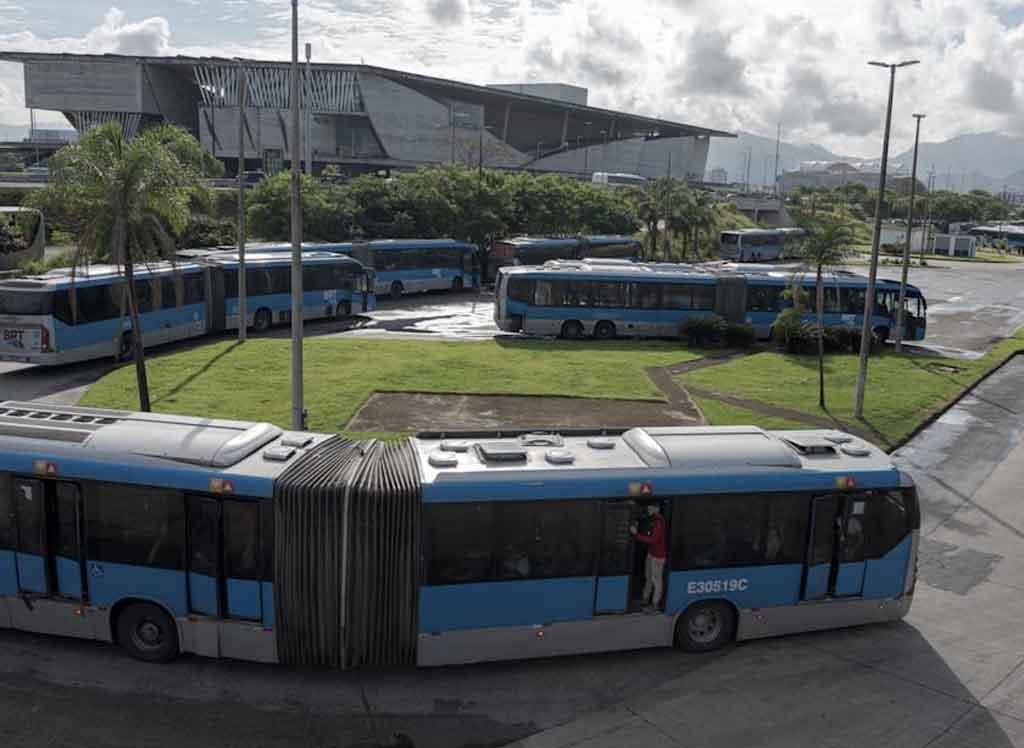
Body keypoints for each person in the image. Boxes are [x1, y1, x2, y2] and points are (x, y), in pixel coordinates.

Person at [631, 503, 667, 613]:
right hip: (651, 553)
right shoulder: (653, 519)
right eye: (648, 507)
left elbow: (653, 540)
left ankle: (655, 604)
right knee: (648, 577)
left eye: (650, 507)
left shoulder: (659, 521)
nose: (648, 509)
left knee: (656, 580)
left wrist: (636, 534)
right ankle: (645, 599)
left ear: (657, 508)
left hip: (658, 556)